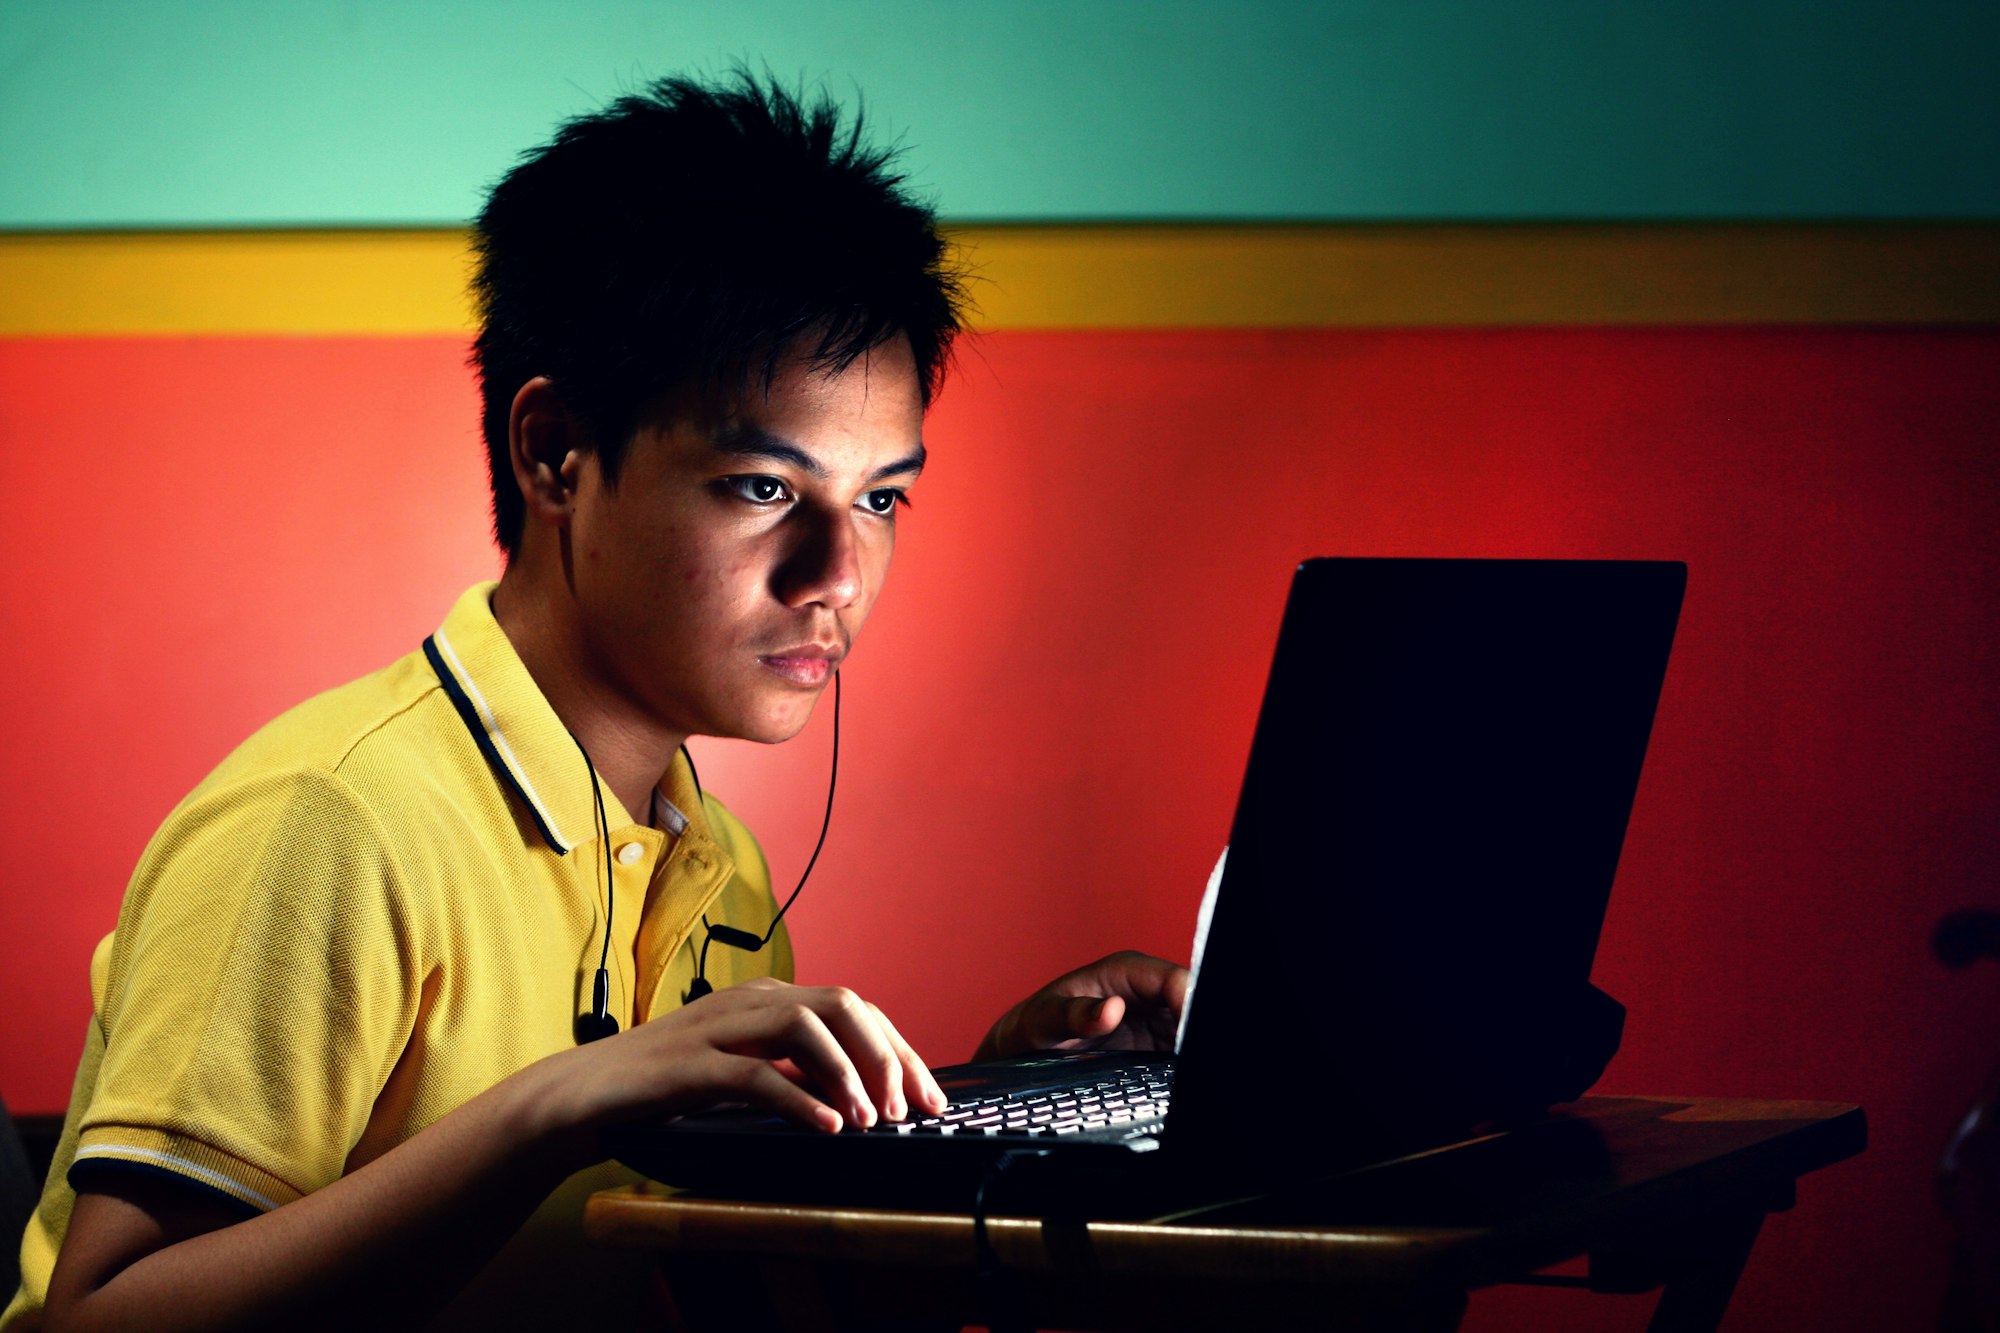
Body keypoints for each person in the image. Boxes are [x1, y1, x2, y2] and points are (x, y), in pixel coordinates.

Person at [4, 74, 1186, 1329]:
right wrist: (554, 1104)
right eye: (762, 488)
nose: (838, 576)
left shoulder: (715, 866)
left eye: (882, 499)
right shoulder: (330, 823)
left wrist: (980, 1110)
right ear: (553, 452)